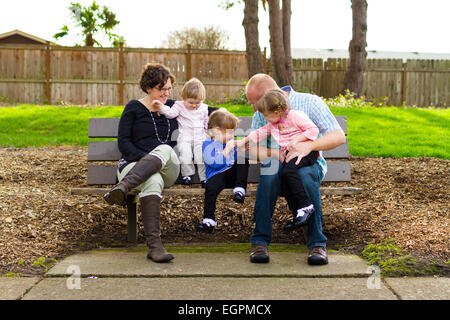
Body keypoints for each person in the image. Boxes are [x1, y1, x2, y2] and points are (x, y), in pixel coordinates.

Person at [245, 74, 346, 265]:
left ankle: (317, 244)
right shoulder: (261, 113)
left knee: (305, 175)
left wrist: (310, 146)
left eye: (254, 102)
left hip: (307, 163)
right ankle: (259, 241)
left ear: (269, 95)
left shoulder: (310, 102)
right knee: (269, 170)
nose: (253, 108)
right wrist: (275, 154)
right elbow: (253, 149)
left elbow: (338, 136)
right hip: (279, 165)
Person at [103, 62, 180, 263]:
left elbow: (201, 109)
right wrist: (145, 161)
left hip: (167, 167)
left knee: (164, 149)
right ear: (148, 87)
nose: (166, 93)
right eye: (161, 88)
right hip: (133, 164)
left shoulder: (173, 108)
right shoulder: (134, 108)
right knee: (152, 179)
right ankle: (155, 247)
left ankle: (123, 187)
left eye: (169, 88)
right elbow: (124, 143)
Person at [224, 88, 320, 230]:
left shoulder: (295, 116)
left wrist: (296, 140)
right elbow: (258, 133)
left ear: (276, 112)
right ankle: (299, 212)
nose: (266, 120)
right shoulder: (276, 122)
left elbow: (313, 130)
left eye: (266, 116)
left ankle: (305, 206)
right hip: (291, 153)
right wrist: (240, 142)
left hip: (305, 152)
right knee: (285, 176)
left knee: (289, 173)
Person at [196, 108, 250, 233]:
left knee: (242, 160)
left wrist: (241, 150)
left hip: (230, 176)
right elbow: (214, 164)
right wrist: (227, 150)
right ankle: (208, 220)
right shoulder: (208, 144)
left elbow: (234, 160)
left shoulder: (229, 142)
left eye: (233, 133)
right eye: (229, 133)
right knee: (210, 189)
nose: (232, 136)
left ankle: (240, 190)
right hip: (216, 175)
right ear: (216, 131)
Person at [152, 77, 208, 187]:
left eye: (197, 102)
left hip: (199, 138)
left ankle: (204, 178)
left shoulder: (203, 108)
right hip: (184, 138)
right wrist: (161, 108)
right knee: (185, 155)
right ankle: (187, 175)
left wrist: (206, 132)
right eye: (191, 102)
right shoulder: (179, 105)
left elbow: (206, 121)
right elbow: (171, 113)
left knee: (201, 157)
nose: (194, 105)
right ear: (184, 98)